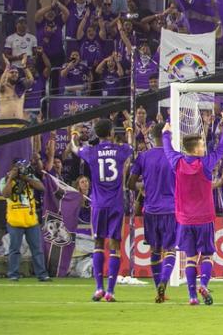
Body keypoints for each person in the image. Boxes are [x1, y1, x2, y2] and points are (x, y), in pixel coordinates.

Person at [162, 110, 223, 306]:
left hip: (185, 220)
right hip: (205, 219)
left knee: (191, 258)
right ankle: (204, 283)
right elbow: (222, 148)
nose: (204, 147)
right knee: (208, 255)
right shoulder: (205, 164)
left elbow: (167, 148)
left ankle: (192, 296)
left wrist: (165, 133)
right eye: (201, 145)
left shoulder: (177, 162)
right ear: (195, 150)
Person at [70, 118, 132, 302]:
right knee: (114, 246)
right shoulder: (121, 150)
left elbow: (74, 148)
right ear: (112, 133)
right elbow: (131, 145)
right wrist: (128, 127)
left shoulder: (91, 151)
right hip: (115, 204)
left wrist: (74, 132)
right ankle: (111, 292)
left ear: (97, 134)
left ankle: (99, 288)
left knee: (98, 243)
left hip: (98, 203)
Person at [127, 127, 177, 303]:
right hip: (171, 209)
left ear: (150, 137)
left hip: (150, 210)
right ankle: (164, 281)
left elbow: (130, 183)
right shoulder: (174, 157)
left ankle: (158, 290)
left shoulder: (143, 157)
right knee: (170, 250)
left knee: (155, 250)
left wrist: (144, 189)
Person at [1, 159, 50, 282]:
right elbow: (5, 194)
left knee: (37, 249)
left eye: (21, 167)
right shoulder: (4, 179)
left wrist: (26, 178)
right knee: (14, 249)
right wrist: (11, 178)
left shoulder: (29, 177)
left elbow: (41, 188)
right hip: (15, 221)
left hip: (31, 220)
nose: (20, 169)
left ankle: (42, 275)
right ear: (12, 168)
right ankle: (13, 274)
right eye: (17, 168)